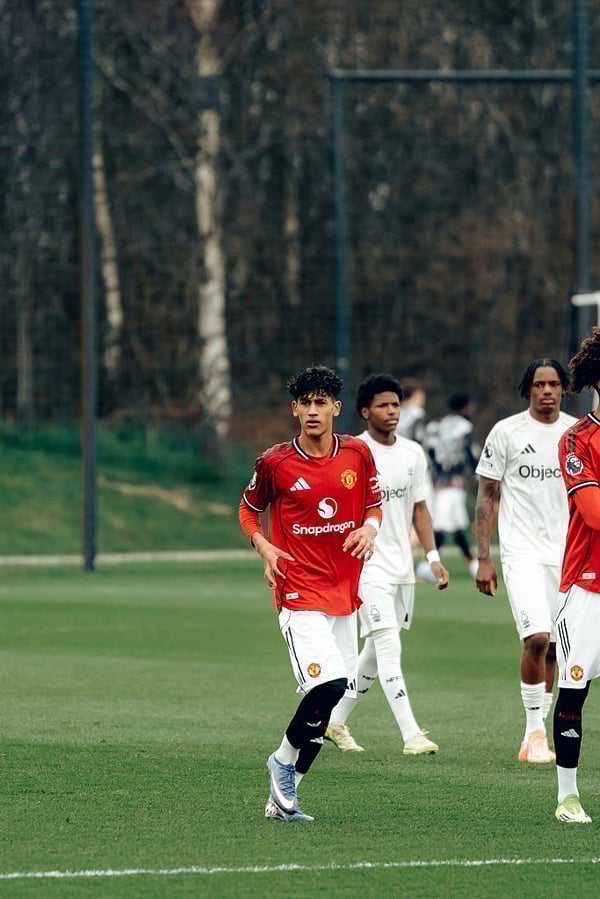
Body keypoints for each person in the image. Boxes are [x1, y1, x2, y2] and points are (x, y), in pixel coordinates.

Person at [239, 365, 383, 823]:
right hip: (298, 591)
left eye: (323, 402)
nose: (314, 410)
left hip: (344, 594)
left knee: (329, 702)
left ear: (336, 408)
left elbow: (374, 504)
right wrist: (263, 545)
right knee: (329, 684)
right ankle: (281, 761)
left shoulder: (358, 454)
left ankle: (284, 799)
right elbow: (248, 509)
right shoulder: (275, 462)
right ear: (295, 409)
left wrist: (370, 528)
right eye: (306, 403)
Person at [325, 373, 448, 755]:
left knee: (376, 654)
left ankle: (333, 722)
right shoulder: (350, 453)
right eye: (383, 405)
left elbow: (420, 509)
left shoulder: (413, 453)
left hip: (401, 566)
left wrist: (433, 557)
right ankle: (411, 734)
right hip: (364, 565)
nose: (392, 411)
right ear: (365, 411)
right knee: (388, 642)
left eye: (396, 404)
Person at [474, 358, 574, 765]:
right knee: (536, 637)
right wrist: (484, 556)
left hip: (569, 554)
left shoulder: (577, 432)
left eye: (553, 384)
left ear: (564, 389)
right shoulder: (506, 432)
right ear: (527, 389)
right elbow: (487, 495)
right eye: (539, 384)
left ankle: (537, 733)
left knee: (556, 650)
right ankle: (535, 731)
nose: (546, 391)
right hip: (521, 553)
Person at [552, 329, 600, 822]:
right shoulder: (577, 440)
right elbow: (593, 511)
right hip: (588, 588)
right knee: (574, 687)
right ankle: (568, 794)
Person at [425, 393, 479, 577]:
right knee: (443, 524)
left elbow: (430, 450)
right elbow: (469, 452)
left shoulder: (436, 425)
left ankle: (471, 563)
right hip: (455, 482)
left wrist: (436, 472)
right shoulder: (464, 426)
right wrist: (478, 475)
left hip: (439, 481)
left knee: (456, 524)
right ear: (464, 407)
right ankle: (430, 564)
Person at [396, 377, 427, 444]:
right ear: (416, 395)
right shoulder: (417, 413)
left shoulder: (395, 411)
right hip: (410, 450)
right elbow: (418, 437)